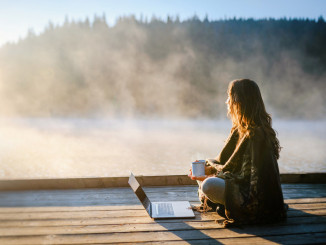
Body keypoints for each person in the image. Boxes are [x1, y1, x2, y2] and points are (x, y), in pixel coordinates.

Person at [188, 79, 287, 227]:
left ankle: (224, 205)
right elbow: (226, 165)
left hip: (255, 198)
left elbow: (249, 179)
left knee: (209, 185)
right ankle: (221, 203)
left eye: (229, 97)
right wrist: (209, 170)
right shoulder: (238, 130)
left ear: (239, 101)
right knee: (202, 169)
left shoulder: (256, 135)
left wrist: (211, 176)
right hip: (237, 182)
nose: (226, 102)